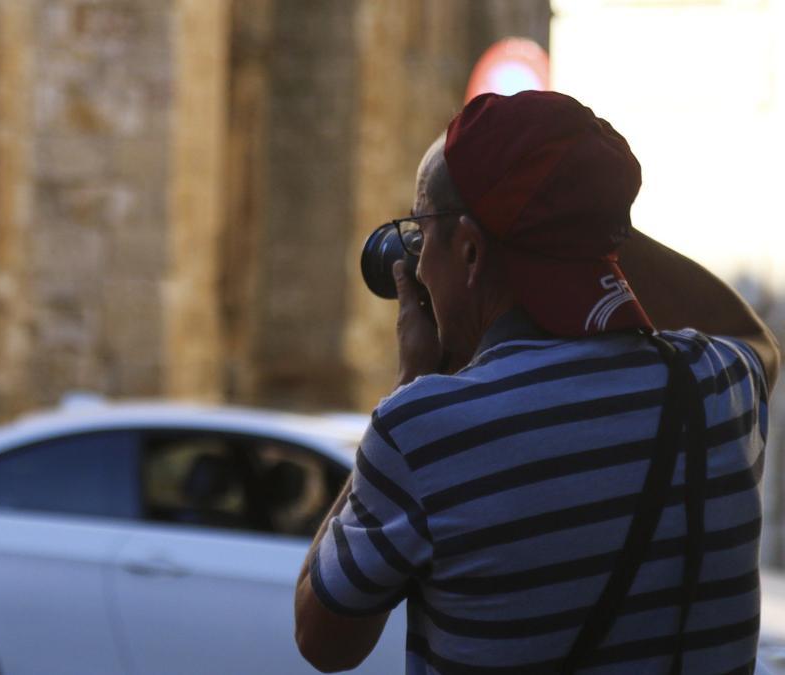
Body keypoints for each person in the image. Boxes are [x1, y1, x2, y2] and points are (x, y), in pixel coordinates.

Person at [293, 90, 780, 673]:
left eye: (422, 231)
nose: (417, 265)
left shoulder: (424, 430)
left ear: (471, 252)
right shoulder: (713, 385)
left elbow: (323, 641)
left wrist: (408, 382)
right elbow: (755, 339)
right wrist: (590, 220)